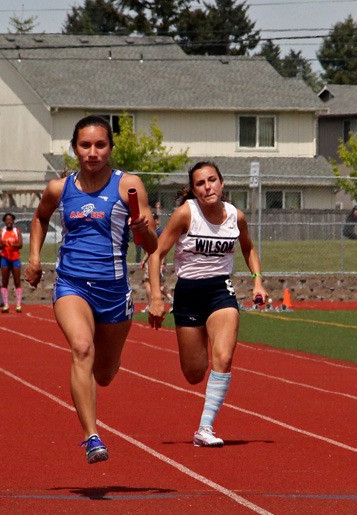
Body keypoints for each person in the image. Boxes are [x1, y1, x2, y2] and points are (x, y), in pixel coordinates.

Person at [24, 115, 157, 463]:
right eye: (85, 145)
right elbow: (39, 218)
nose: (93, 152)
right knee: (82, 348)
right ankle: (91, 435)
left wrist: (143, 228)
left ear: (110, 148)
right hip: (72, 283)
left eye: (100, 145)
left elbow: (151, 244)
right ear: (74, 148)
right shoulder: (59, 188)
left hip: (113, 291)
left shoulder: (129, 185)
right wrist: (34, 258)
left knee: (105, 373)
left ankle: (106, 365)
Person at [147, 161, 268, 447]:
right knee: (194, 373)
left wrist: (258, 281)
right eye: (200, 183)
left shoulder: (235, 216)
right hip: (188, 294)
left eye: (212, 180)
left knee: (223, 358)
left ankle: (205, 428)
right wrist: (155, 296)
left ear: (222, 183)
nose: (207, 187)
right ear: (194, 190)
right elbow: (157, 254)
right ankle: (198, 362)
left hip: (219, 291)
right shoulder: (186, 213)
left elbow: (248, 247)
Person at [140, 212, 172, 312]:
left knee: (152, 284)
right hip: (151, 260)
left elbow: (161, 250)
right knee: (156, 284)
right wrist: (144, 260)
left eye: (153, 219)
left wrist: (162, 263)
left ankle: (152, 304)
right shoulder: (153, 231)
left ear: (157, 220)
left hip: (155, 262)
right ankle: (171, 300)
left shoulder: (159, 232)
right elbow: (150, 250)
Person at [0, 213, 24, 313]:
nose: (9, 222)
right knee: (5, 281)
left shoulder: (16, 231)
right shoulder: (2, 231)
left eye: (10, 220)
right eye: (7, 220)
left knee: (17, 281)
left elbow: (20, 244)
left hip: (15, 259)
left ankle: (18, 305)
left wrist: (13, 244)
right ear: (4, 221)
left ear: (13, 221)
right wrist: (3, 244)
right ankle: (6, 305)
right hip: (5, 258)